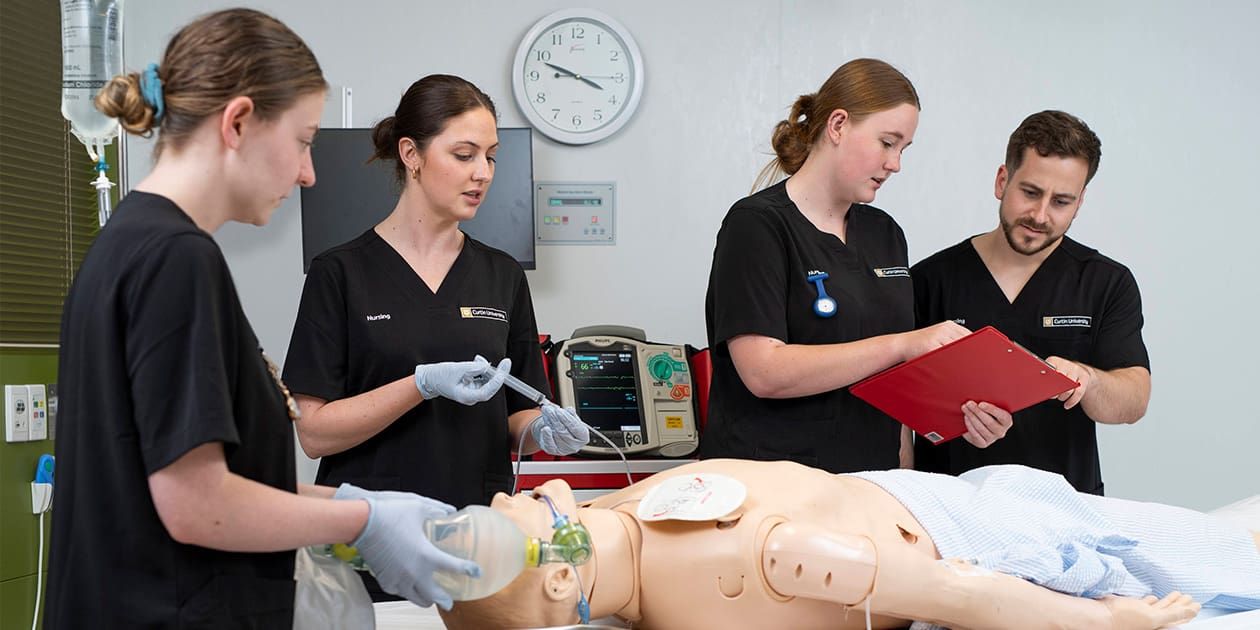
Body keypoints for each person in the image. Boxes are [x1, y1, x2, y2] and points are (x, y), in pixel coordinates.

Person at [46, 10, 480, 627]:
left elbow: (196, 483)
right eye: (303, 142)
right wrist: (365, 521)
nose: (307, 173)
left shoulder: (130, 244)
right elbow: (197, 505)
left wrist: (360, 504)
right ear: (239, 122)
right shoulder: (176, 261)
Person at [281, 74, 588, 597]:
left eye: (491, 157)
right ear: (411, 154)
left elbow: (516, 414)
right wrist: (418, 385)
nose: (483, 173)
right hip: (368, 545)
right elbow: (313, 432)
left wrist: (544, 432)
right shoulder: (341, 274)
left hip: (477, 540)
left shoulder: (502, 275)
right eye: (464, 154)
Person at [439, 459, 1260, 630]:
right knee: (1222, 551)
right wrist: (1108, 625)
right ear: (556, 587)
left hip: (944, 495)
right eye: (514, 516)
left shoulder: (623, 522)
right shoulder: (737, 562)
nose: (516, 492)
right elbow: (950, 594)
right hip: (972, 531)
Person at [700, 58, 973, 473]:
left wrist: (908, 479)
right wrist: (902, 344)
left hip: (869, 484)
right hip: (774, 487)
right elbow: (764, 372)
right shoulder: (757, 226)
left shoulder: (885, 234)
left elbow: (892, 388)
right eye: (887, 142)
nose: (895, 164)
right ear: (839, 125)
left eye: (903, 149)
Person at [912, 110, 1151, 494]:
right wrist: (958, 420)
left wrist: (1087, 381)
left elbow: (1134, 400)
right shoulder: (929, 280)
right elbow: (899, 407)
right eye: (1031, 192)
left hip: (1068, 510)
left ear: (1080, 201)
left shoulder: (1106, 282)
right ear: (1002, 180)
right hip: (949, 509)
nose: (1040, 215)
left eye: (1061, 201)